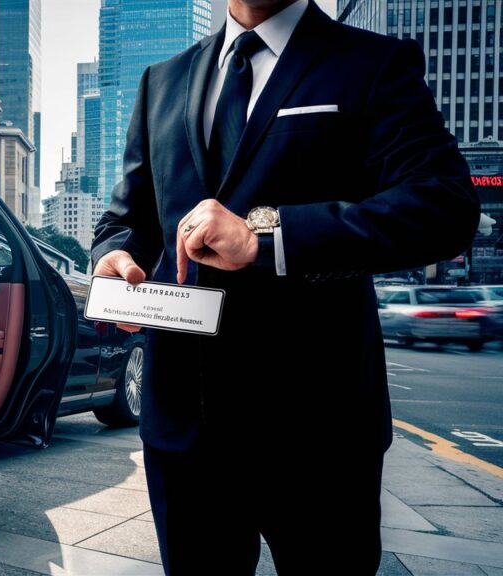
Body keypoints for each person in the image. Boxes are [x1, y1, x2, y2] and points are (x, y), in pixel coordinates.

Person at [90, 0, 480, 573]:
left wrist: (266, 236)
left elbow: (444, 207)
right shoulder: (160, 82)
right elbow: (126, 220)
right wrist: (114, 258)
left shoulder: (371, 63)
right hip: (183, 430)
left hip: (319, 433)